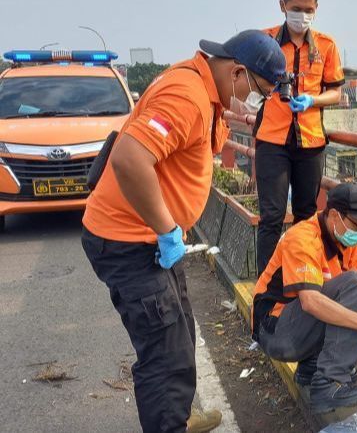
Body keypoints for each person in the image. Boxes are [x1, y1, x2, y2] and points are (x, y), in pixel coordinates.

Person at [82, 30, 286, 433]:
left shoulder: (204, 88)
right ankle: (169, 424)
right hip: (130, 240)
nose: (257, 100)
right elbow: (128, 160)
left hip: (150, 238)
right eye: (259, 91)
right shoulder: (187, 96)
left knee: (181, 331)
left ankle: (179, 415)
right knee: (164, 353)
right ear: (238, 72)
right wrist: (166, 229)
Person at [251, 183, 357, 414]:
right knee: (353, 283)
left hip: (300, 328)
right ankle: (329, 384)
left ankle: (313, 368)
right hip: (276, 331)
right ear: (335, 215)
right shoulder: (303, 238)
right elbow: (311, 302)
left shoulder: (344, 236)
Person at [254, 0, 345, 274]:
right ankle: (266, 289)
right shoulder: (265, 41)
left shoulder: (326, 46)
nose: (302, 16)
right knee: (271, 217)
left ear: (316, 10)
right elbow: (247, 82)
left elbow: (336, 92)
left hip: (311, 143)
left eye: (308, 11)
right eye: (296, 9)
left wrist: (312, 100)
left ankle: (302, 277)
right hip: (272, 141)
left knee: (306, 216)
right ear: (283, 6)